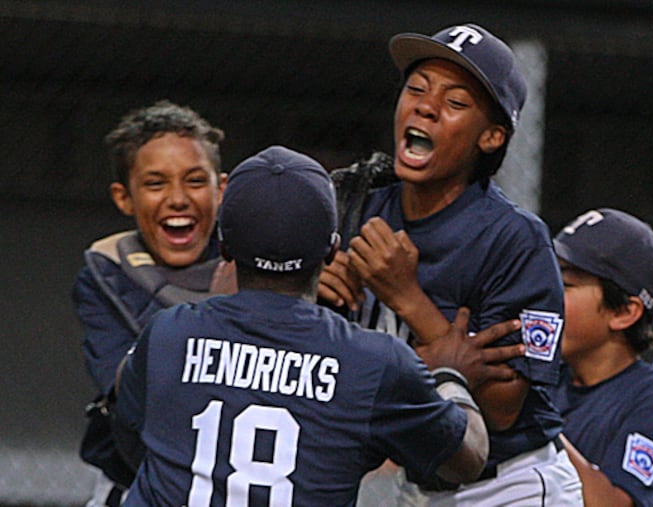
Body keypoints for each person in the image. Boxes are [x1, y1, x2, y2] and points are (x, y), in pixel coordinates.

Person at [113, 145, 526, 506]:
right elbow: (468, 459)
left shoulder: (169, 333)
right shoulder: (374, 361)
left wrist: (216, 312)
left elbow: (129, 412)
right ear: (332, 250)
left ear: (224, 246)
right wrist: (450, 375)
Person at [319, 23, 583, 505]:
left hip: (509, 484)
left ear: (491, 137)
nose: (425, 106)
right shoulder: (363, 209)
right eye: (416, 89)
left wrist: (405, 295)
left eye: (455, 102)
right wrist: (316, 297)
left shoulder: (514, 239)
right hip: (418, 484)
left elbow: (502, 409)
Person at [72, 100, 230, 506]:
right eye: (156, 183)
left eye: (195, 180)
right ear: (124, 198)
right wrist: (227, 313)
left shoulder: (259, 267)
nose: (177, 199)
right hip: (135, 483)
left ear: (222, 189)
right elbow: (130, 391)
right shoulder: (105, 272)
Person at [551, 208, 653, 507]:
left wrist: (533, 420)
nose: (544, 294)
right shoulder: (545, 380)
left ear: (623, 312)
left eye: (565, 285)